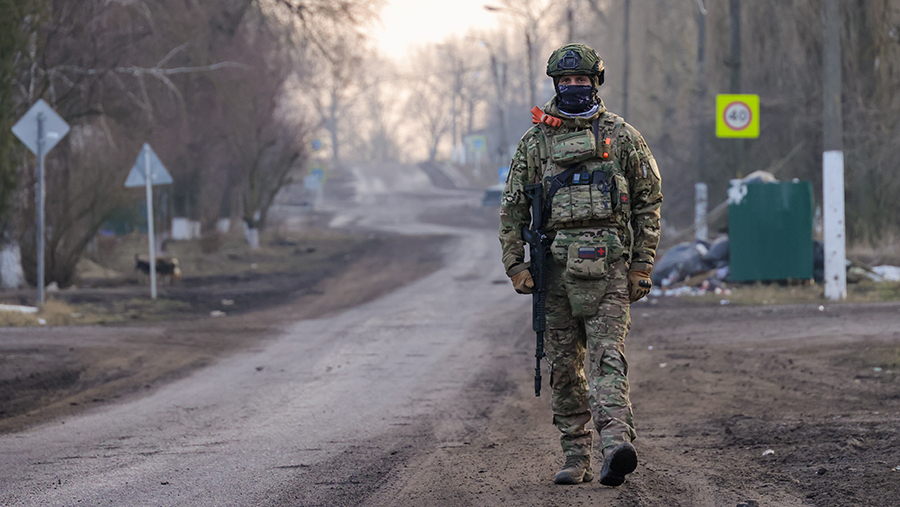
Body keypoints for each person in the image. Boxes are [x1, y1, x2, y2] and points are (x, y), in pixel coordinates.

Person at [499, 43, 662, 486]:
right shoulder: (535, 142)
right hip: (553, 272)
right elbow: (513, 207)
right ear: (556, 84)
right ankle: (576, 456)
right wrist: (516, 265)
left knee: (608, 357)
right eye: (566, 81)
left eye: (582, 80)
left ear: (595, 83)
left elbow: (649, 202)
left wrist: (641, 266)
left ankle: (615, 446)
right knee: (564, 365)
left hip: (610, 267)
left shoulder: (622, 135)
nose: (574, 87)